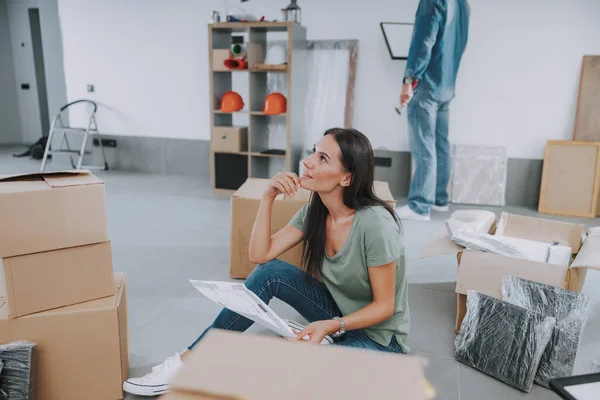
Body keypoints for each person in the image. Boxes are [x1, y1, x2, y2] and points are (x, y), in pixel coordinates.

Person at [122, 128, 410, 397]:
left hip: (380, 340)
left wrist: (330, 326)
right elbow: (260, 255)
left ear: (346, 178)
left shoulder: (375, 224)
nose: (307, 162)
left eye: (322, 158)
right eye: (313, 152)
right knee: (270, 273)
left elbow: (385, 307)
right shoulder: (316, 211)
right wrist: (268, 196)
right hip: (339, 316)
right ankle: (189, 362)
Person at [395, 0, 471, 222]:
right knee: (440, 143)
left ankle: (419, 205)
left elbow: (423, 41)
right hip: (446, 84)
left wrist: (410, 79)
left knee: (424, 145)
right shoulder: (463, 4)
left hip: (427, 84)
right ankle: (439, 199)